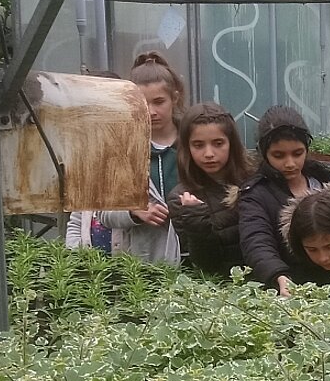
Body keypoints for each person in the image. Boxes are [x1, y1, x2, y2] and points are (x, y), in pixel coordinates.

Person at [237, 105, 330, 295]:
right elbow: (257, 241)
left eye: (297, 153)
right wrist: (279, 276)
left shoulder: (326, 181)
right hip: (290, 288)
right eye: (279, 155)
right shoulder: (255, 194)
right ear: (264, 153)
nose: (290, 163)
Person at [97, 51, 185, 265]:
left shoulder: (194, 142)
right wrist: (134, 212)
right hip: (143, 262)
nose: (152, 111)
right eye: (143, 103)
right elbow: (103, 213)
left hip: (194, 255)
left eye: (159, 101)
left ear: (175, 97)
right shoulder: (122, 149)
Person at [169, 103, 252, 278]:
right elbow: (206, 264)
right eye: (198, 145)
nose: (209, 153)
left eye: (218, 143)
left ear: (232, 143)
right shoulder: (182, 198)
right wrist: (195, 217)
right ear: (187, 148)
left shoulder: (253, 180)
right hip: (221, 290)